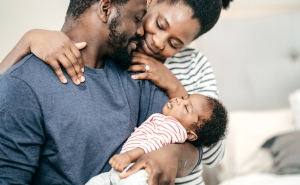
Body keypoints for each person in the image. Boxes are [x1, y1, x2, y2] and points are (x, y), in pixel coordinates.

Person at [0, 0, 233, 184]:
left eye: (175, 43)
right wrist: (27, 40)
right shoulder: (27, 81)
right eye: (146, 20)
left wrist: (171, 152)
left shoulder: (144, 74)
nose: (149, 36)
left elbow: (201, 146)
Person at [86, 94, 228, 185]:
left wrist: (128, 156)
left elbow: (152, 145)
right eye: (184, 97)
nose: (179, 100)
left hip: (141, 173)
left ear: (190, 135)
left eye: (186, 107)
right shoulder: (164, 120)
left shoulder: (174, 128)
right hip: (124, 170)